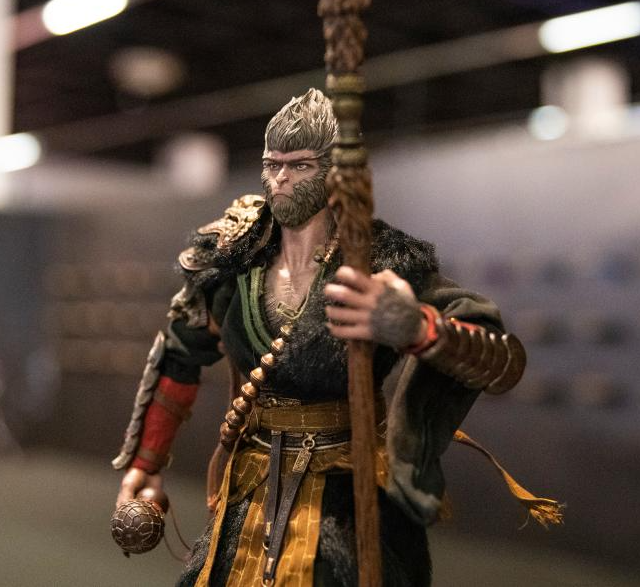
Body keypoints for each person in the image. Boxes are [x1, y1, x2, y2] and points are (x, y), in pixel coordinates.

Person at [114, 89, 549, 586]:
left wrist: (416, 328)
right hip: (249, 489)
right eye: (272, 164)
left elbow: (502, 363)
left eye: (299, 166)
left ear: (334, 172)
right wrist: (147, 463)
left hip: (347, 492)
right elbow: (178, 353)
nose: (280, 178)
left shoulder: (381, 261)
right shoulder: (234, 254)